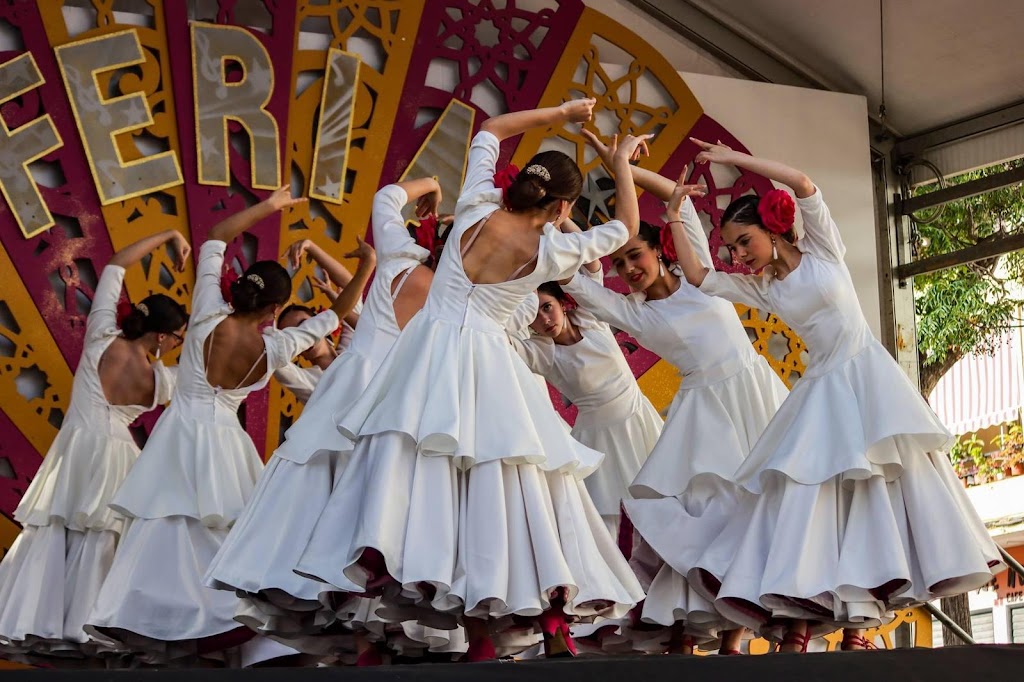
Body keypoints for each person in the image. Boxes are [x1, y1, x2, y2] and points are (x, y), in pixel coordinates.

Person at [292, 100, 647, 662]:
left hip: (428, 358)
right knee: (503, 488)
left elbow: (490, 128)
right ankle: (527, 627)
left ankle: (417, 624)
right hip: (488, 364)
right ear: (562, 206)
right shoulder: (554, 248)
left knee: (427, 480)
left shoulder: (477, 201)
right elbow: (626, 228)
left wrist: (560, 111)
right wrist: (621, 161)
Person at [672, 139, 1003, 652]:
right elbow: (697, 276)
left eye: (743, 242)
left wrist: (735, 161)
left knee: (880, 499)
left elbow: (803, 184)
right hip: (822, 390)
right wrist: (674, 215)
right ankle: (800, 627)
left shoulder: (823, 247)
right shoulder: (764, 288)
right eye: (732, 248)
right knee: (810, 506)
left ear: (770, 228)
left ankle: (857, 628)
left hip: (868, 380)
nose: (737, 255)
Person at [85, 186, 374, 665]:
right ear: (275, 310)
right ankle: (230, 633)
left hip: (178, 437)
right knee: (227, 536)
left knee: (167, 530)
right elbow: (335, 316)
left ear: (239, 287)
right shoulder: (280, 346)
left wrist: (272, 206)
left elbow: (216, 236)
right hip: (226, 446)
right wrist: (364, 266)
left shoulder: (203, 316)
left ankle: (165, 627)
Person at [557, 131, 789, 655]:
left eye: (633, 255)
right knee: (713, 518)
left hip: (755, 393)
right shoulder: (633, 312)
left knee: (767, 506)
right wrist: (551, 227)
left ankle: (746, 635)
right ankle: (698, 635)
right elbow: (577, 285)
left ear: (657, 249)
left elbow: (673, 197)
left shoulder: (696, 275)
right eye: (618, 265)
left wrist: (620, 166)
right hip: (705, 414)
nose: (627, 268)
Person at [205, 178, 450, 665]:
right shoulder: (453, 296)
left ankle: (365, 638)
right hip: (395, 401)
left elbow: (382, 209)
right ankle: (378, 632)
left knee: (342, 512)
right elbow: (348, 308)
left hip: (356, 395)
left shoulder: (403, 266)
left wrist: (433, 186)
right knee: (382, 513)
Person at [0, 231, 189, 661]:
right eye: (176, 336)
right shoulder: (163, 381)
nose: (177, 343)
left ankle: (40, 625)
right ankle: (87, 632)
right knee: (101, 544)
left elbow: (116, 264)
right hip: (119, 458)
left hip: (76, 449)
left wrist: (167, 236)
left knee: (53, 534)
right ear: (161, 337)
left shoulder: (101, 336)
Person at [513, 275, 662, 538]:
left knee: (663, 495)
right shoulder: (541, 352)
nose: (544, 320)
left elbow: (590, 269)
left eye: (547, 307)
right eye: (533, 315)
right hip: (600, 438)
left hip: (639, 418)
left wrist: (554, 234)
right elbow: (498, 339)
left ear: (562, 303)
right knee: (615, 522)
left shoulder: (590, 318)